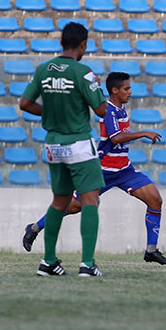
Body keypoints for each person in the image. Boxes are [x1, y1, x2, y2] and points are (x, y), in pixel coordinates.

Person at [22, 72, 166, 265]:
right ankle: (34, 228)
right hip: (103, 170)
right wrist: (143, 133)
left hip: (124, 170)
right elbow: (115, 137)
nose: (130, 92)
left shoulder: (120, 107)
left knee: (155, 199)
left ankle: (151, 250)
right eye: (126, 88)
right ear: (115, 91)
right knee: (74, 206)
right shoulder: (108, 110)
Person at [19, 22, 107, 277]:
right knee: (90, 200)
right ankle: (87, 264)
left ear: (61, 43)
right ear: (83, 45)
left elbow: (25, 103)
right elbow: (100, 110)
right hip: (78, 143)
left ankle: (48, 262)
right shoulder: (84, 72)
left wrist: (51, 110)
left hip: (53, 145)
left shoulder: (44, 70)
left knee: (59, 201)